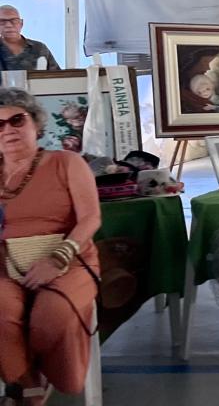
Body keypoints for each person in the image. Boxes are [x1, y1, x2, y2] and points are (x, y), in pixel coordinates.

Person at [0, 87, 100, 404]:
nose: (8, 130)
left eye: (17, 120)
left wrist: (56, 260)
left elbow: (91, 218)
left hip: (69, 260)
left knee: (51, 314)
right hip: (7, 265)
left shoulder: (67, 162)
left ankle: (41, 373)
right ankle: (28, 383)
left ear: (36, 124)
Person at [0, 6, 59, 72]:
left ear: (21, 23)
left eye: (14, 21)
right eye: (2, 22)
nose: (9, 25)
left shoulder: (39, 48)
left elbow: (57, 75)